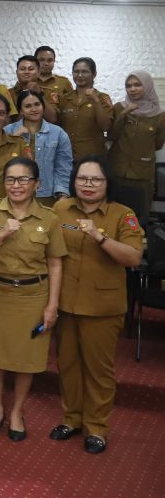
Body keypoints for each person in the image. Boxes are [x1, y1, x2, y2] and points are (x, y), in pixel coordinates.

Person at [51, 157, 146, 454]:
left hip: (103, 307)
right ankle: (72, 419)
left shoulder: (123, 215)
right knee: (67, 365)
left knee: (98, 370)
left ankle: (97, 428)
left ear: (107, 183)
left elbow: (133, 257)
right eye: (83, 179)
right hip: (65, 302)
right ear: (74, 181)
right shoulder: (61, 209)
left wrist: (100, 237)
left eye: (96, 180)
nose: (88, 185)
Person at [0, 157, 66, 442]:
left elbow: (55, 264)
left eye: (24, 179)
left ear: (37, 184)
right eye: (10, 179)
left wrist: (52, 305)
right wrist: (1, 235)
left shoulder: (49, 218)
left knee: (27, 358)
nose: (16, 185)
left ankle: (17, 412)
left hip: (32, 296)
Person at [108, 72, 164, 223]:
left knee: (138, 218)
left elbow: (158, 143)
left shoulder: (159, 115)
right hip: (117, 170)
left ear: (147, 86)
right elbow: (111, 135)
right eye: (129, 86)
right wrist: (124, 113)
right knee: (113, 216)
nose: (132, 89)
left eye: (137, 85)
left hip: (142, 174)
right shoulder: (119, 107)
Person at [4, 90, 72, 204]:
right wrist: (14, 138)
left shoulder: (58, 133)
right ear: (20, 110)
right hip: (14, 194)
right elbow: (1, 163)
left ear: (43, 106)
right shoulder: (8, 131)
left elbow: (63, 168)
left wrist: (63, 195)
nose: (34, 109)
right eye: (28, 106)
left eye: (37, 104)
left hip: (47, 195)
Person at [11, 55, 58, 122]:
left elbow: (53, 119)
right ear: (16, 72)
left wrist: (39, 94)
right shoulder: (9, 93)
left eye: (31, 69)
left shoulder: (49, 92)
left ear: (38, 72)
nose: (26, 72)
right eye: (22, 69)